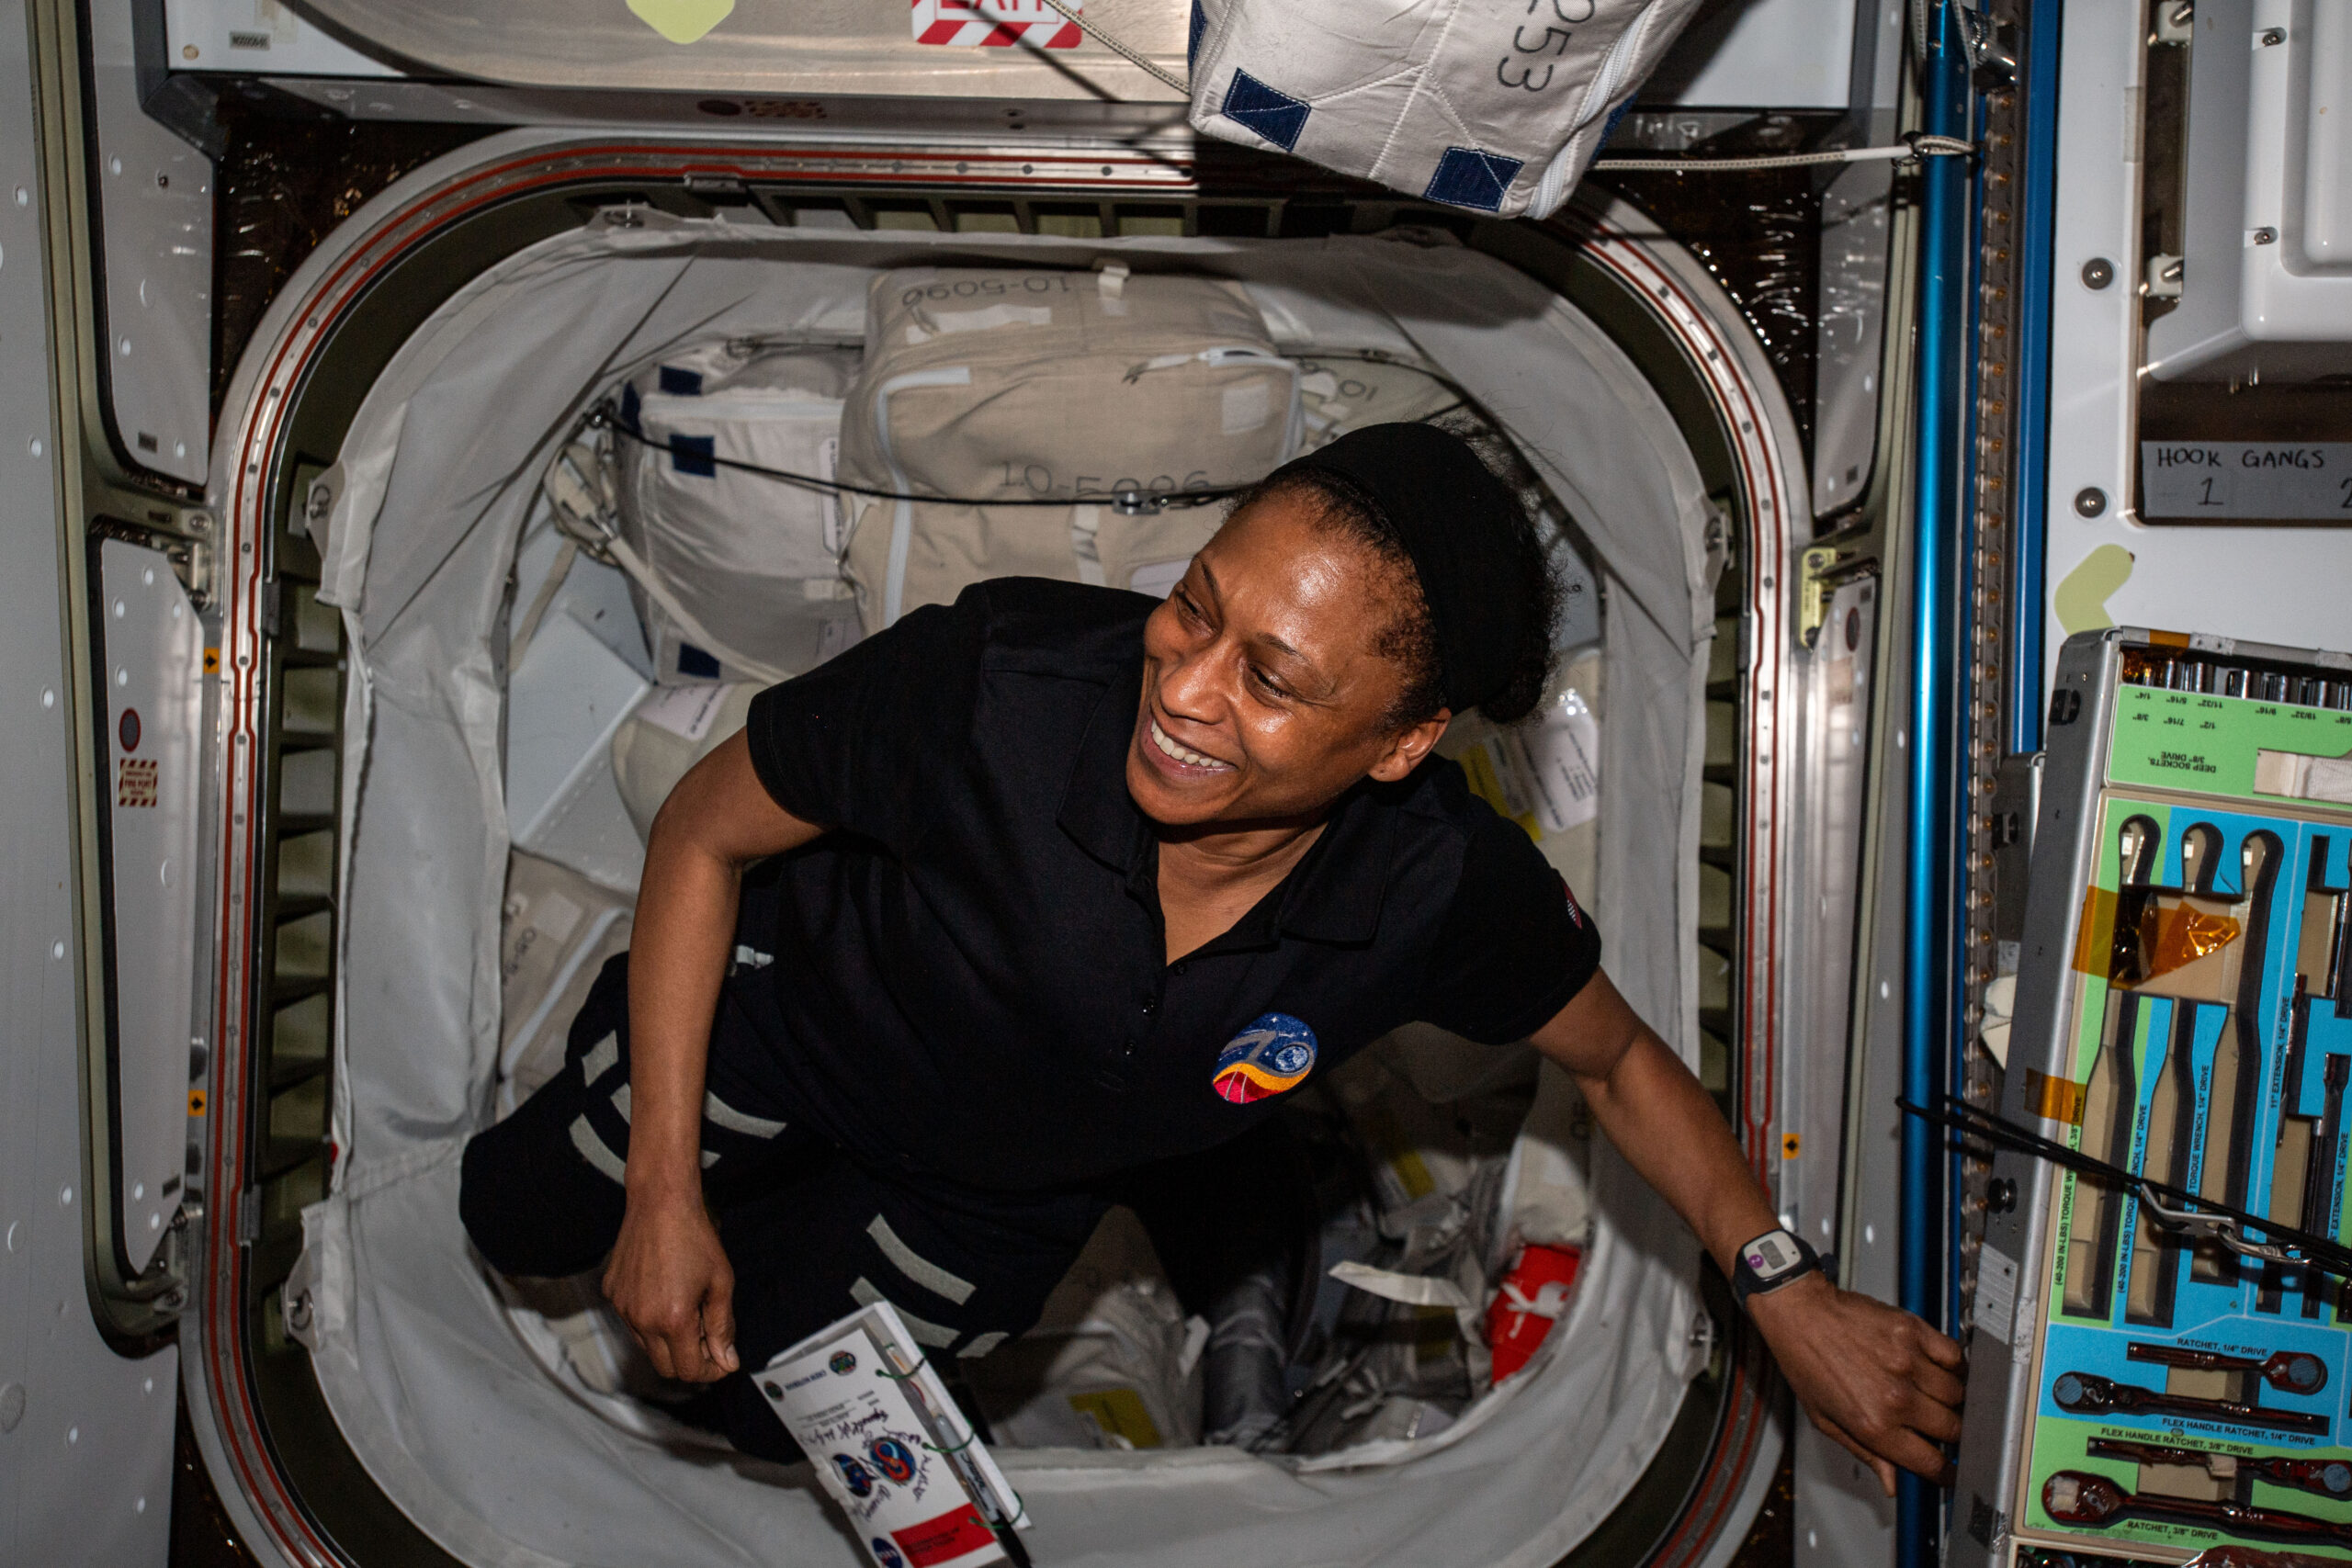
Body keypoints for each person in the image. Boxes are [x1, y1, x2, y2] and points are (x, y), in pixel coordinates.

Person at [460, 422, 1962, 1492]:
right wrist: (662, 1184)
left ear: (1404, 741)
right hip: (780, 1035)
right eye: (1193, 607)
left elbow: (1623, 1062)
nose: (1181, 687)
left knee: (757, 1408)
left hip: (988, 1201)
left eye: (1272, 679)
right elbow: (702, 838)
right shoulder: (996, 685)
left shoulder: (1439, 889)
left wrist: (1783, 1288)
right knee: (522, 1216)